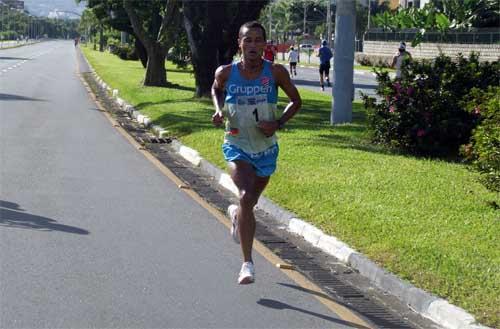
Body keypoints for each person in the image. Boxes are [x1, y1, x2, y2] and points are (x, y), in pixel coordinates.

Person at [211, 21, 301, 285]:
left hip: (266, 149)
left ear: (264, 44)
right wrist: (218, 109)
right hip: (236, 144)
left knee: (249, 203)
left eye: (257, 40)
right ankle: (247, 264)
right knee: (245, 194)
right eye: (247, 40)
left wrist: (278, 123)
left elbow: (296, 101)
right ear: (239, 44)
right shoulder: (226, 72)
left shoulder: (275, 73)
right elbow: (216, 88)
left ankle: (237, 215)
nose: (252, 45)